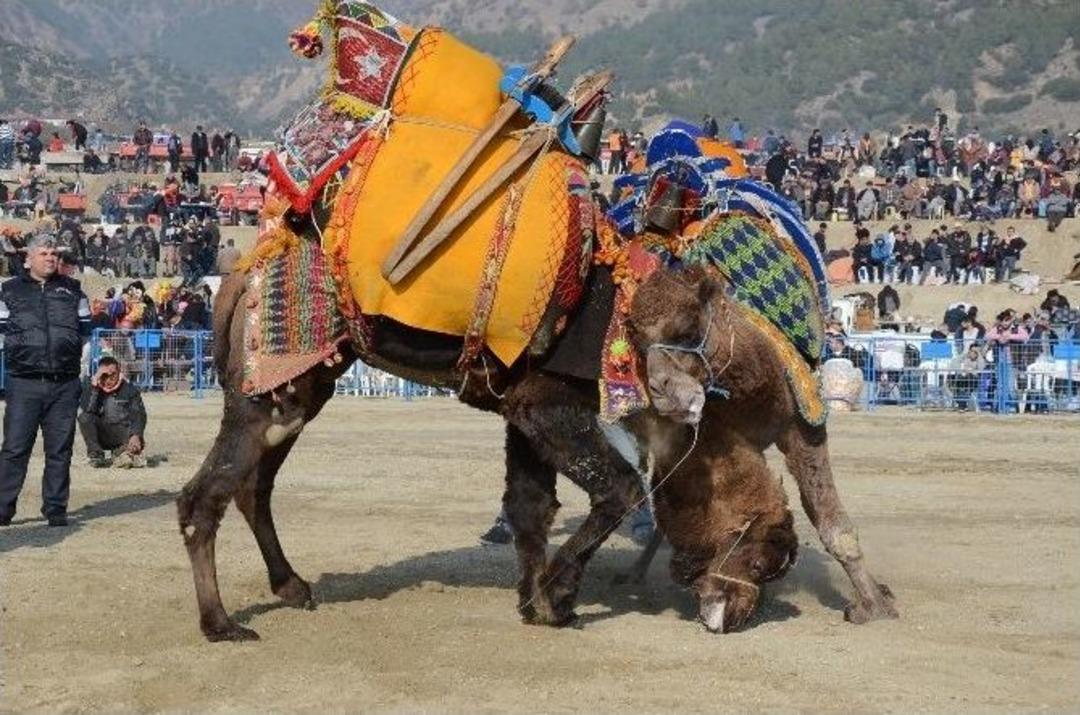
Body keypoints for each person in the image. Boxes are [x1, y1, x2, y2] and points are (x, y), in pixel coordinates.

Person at [0, 236, 91, 527]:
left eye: (54, 253)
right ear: (29, 258)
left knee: (60, 450)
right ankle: (3, 509)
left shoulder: (74, 290)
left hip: (65, 384)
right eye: (44, 253)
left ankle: (55, 508)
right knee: (14, 449)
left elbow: (87, 336)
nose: (51, 258)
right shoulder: (8, 291)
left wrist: (86, 372)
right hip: (23, 382)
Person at [77, 356, 147, 469]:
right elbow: (87, 411)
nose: (108, 379)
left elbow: (139, 414)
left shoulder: (129, 389)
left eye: (112, 375)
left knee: (127, 459)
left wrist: (136, 435)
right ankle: (96, 455)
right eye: (104, 375)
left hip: (123, 433)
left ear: (119, 372)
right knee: (84, 417)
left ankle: (122, 453)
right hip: (102, 433)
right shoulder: (91, 388)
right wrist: (95, 388)